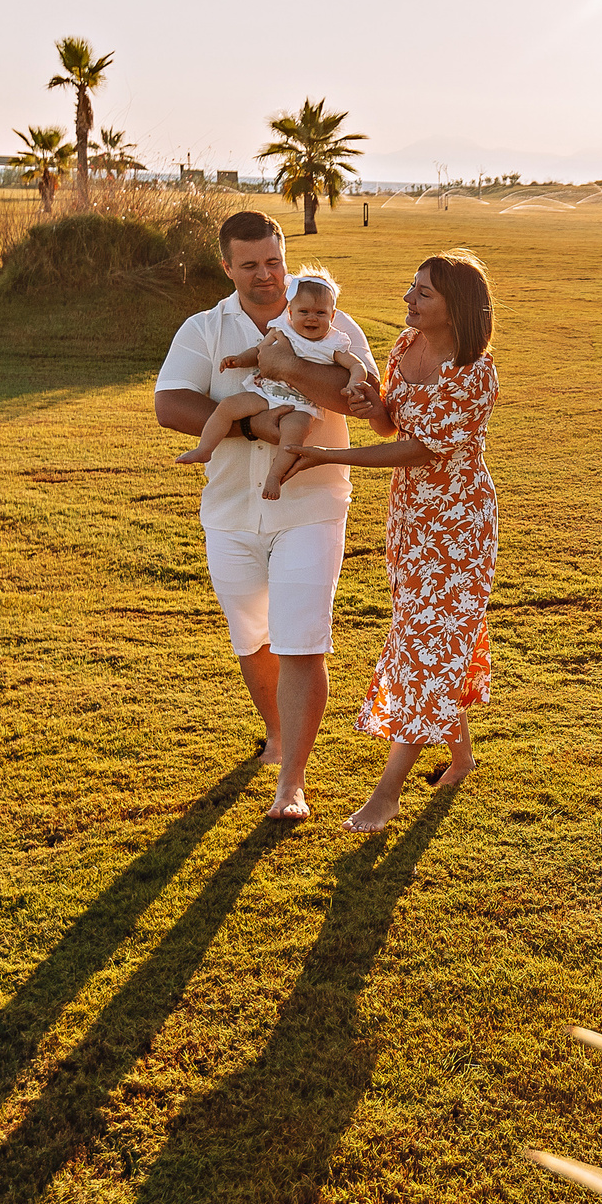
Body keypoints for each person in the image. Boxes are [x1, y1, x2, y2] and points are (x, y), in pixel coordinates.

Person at [153, 213, 378, 819]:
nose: (265, 275)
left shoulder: (332, 320)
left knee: (302, 639)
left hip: (311, 504)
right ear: (226, 267)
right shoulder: (204, 329)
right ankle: (277, 736)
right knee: (253, 636)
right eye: (249, 264)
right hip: (227, 509)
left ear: (286, 257)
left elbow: (370, 405)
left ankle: (292, 784)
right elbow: (170, 403)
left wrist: (291, 370)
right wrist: (254, 426)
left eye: (273, 261)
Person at [277, 250, 498, 832]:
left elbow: (420, 448)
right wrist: (369, 402)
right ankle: (462, 755)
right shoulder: (405, 348)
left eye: (423, 293)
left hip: (457, 523)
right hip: (409, 519)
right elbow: (391, 425)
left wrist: (329, 454)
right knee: (425, 636)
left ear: (457, 307)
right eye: (412, 286)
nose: (408, 299)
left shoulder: (474, 372)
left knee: (429, 641)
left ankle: (386, 795)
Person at [174, 272, 374, 499]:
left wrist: (354, 382)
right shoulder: (282, 330)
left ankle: (274, 476)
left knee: (294, 433)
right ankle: (205, 449)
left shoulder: (333, 343)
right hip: (266, 390)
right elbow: (260, 352)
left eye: (321, 313)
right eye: (304, 312)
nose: (312, 318)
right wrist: (240, 359)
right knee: (228, 406)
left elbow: (356, 365)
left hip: (300, 404)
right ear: (290, 312)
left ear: (332, 315)